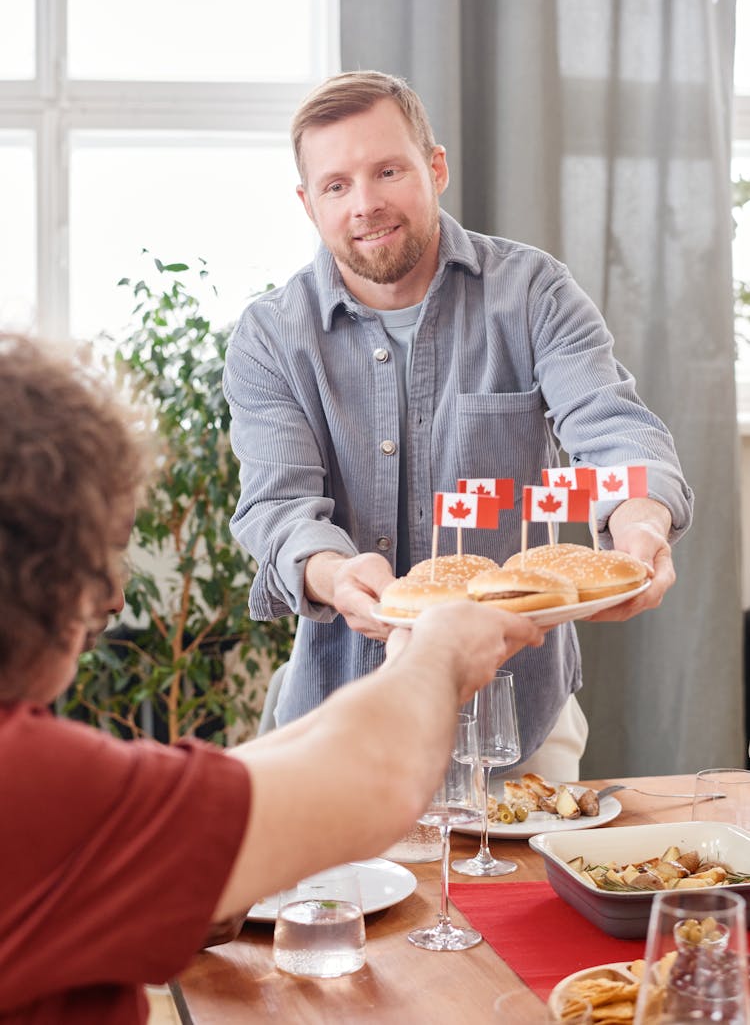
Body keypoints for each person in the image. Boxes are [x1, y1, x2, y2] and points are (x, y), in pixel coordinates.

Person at [0, 332, 542, 1024]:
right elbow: (373, 781)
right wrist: (435, 656)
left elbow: (218, 793)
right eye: (102, 553)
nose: (112, 597)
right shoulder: (30, 784)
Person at [223, 70, 694, 776]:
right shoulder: (268, 337)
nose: (366, 204)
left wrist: (642, 522)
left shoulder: (533, 292)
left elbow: (611, 426)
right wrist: (336, 570)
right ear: (307, 202)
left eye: (388, 170)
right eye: (336, 185)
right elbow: (278, 507)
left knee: (519, 893)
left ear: (435, 167)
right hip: (341, 713)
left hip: (520, 714)